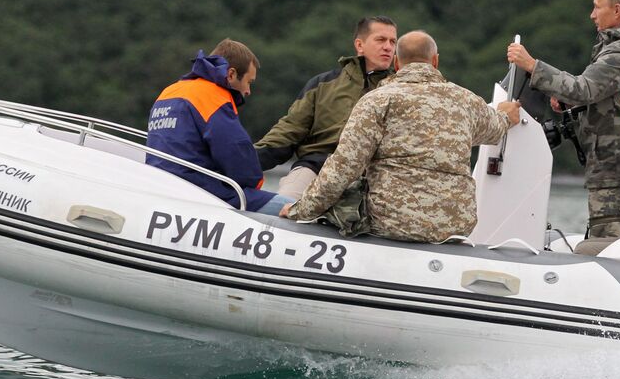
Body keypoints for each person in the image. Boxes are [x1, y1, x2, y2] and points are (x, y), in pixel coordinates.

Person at [281, 31, 522, 243]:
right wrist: (505, 114)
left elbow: (344, 167)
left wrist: (300, 211)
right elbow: (496, 128)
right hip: (454, 226)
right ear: (435, 61)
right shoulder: (467, 101)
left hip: (391, 223)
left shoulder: (378, 100)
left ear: (396, 63)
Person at [505, 0, 620, 255]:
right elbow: (601, 95)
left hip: (616, 166)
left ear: (616, 11)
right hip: (613, 162)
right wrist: (568, 100)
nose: (592, 14)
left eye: (596, 7)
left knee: (611, 246)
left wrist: (532, 65)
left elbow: (585, 88)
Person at [255, 16, 399, 200]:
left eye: (393, 42)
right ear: (359, 45)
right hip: (316, 168)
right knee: (284, 205)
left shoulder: (399, 91)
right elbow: (288, 132)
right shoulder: (322, 84)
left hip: (371, 178)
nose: (388, 47)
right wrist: (246, 160)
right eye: (380, 40)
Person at [146, 39, 292, 214]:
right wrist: (254, 186)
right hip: (201, 189)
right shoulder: (212, 97)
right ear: (231, 74)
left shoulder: (169, 91)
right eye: (249, 82)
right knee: (296, 208)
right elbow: (236, 154)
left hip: (161, 185)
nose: (248, 91)